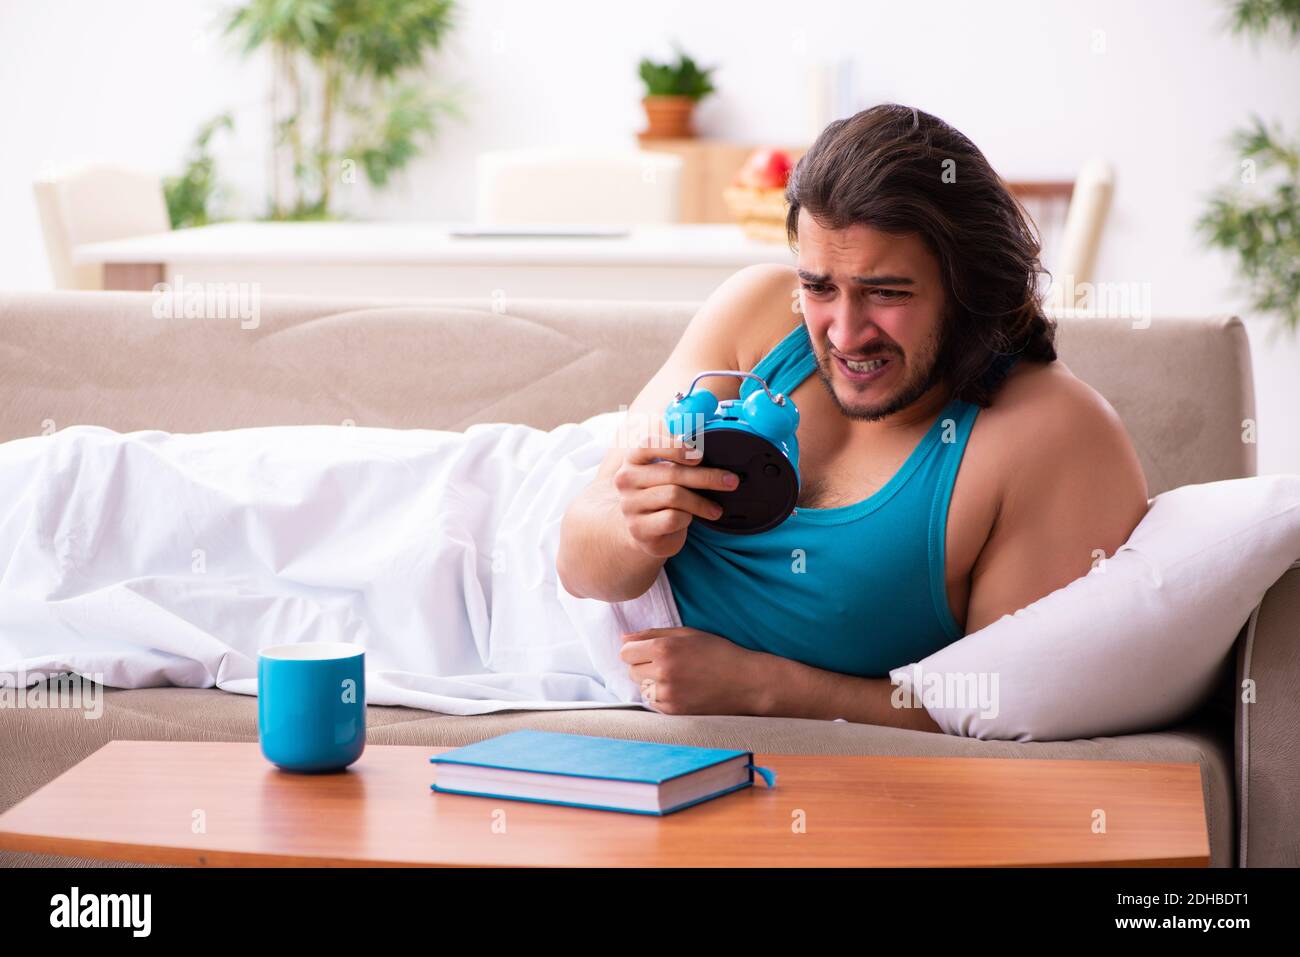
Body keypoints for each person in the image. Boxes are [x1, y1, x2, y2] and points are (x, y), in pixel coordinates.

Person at [556, 104, 1149, 729]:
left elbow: (994, 713)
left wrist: (766, 687)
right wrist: (633, 529)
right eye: (819, 288)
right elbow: (578, 554)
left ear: (971, 285)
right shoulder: (758, 311)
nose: (844, 334)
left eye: (886, 292)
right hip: (517, 530)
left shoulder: (1047, 435)